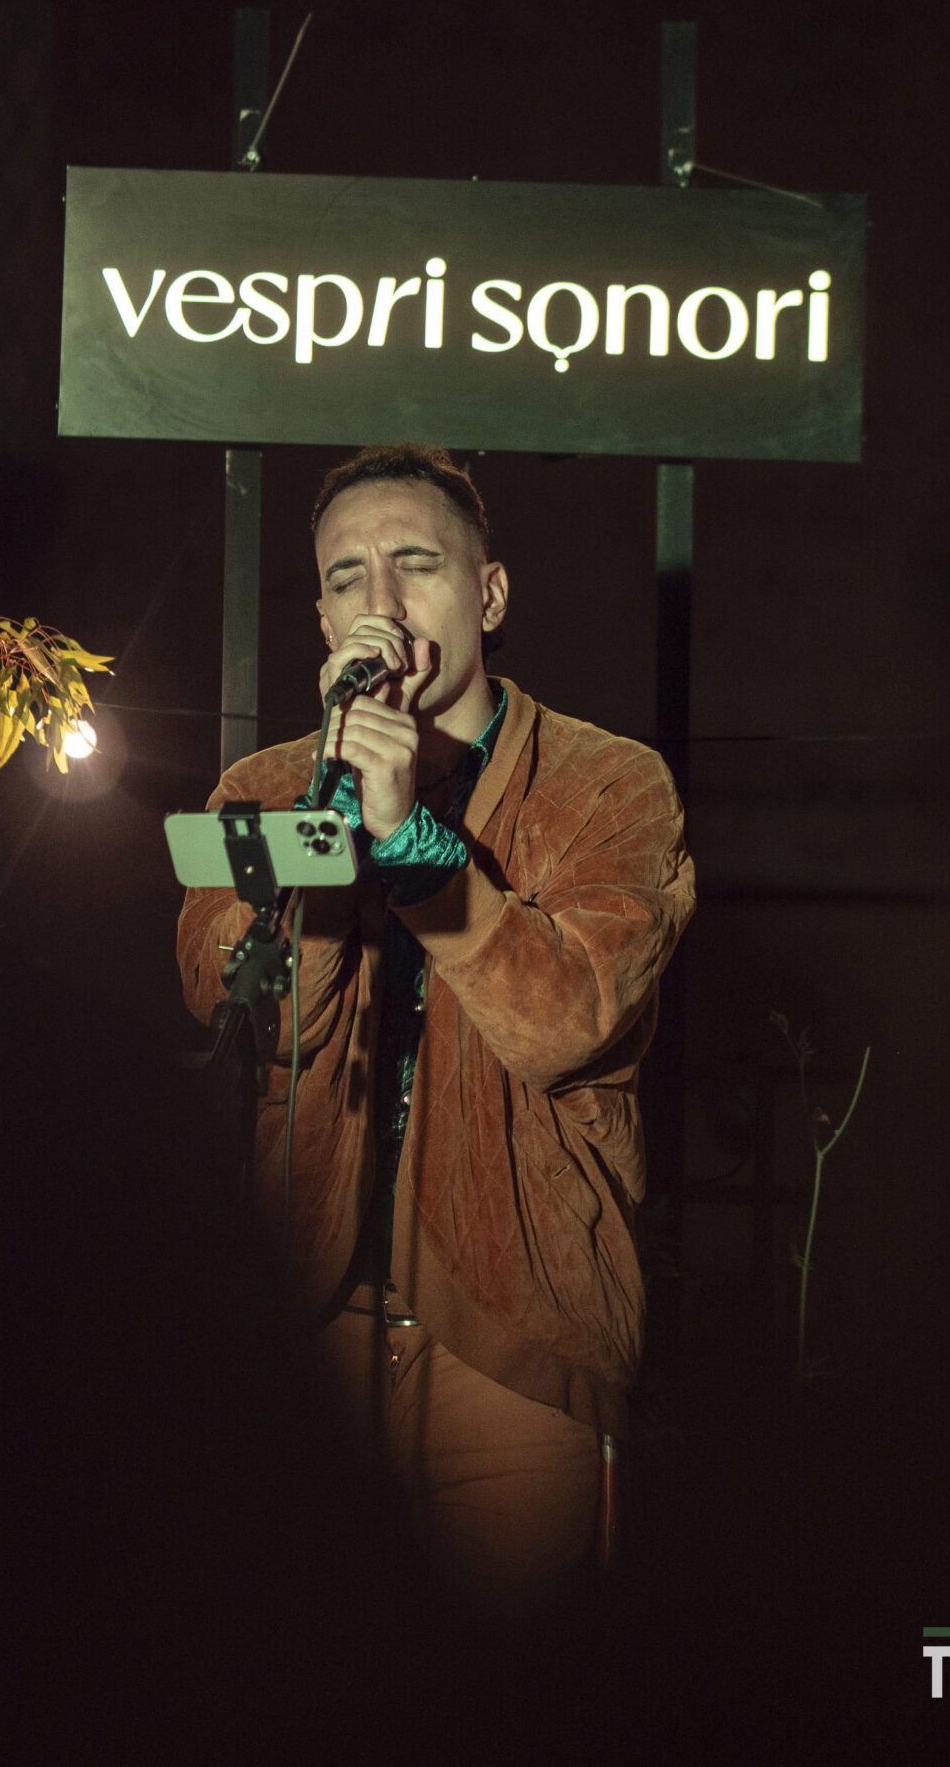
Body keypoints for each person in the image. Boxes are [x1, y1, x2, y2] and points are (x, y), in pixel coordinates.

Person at [176, 443, 695, 1606]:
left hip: (515, 1335)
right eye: (347, 575)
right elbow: (249, 1011)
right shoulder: (257, 790)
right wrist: (331, 817)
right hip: (306, 1321)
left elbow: (570, 1021)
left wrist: (410, 839)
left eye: (415, 563)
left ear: (489, 594)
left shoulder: (609, 786)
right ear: (322, 621)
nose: (383, 602)